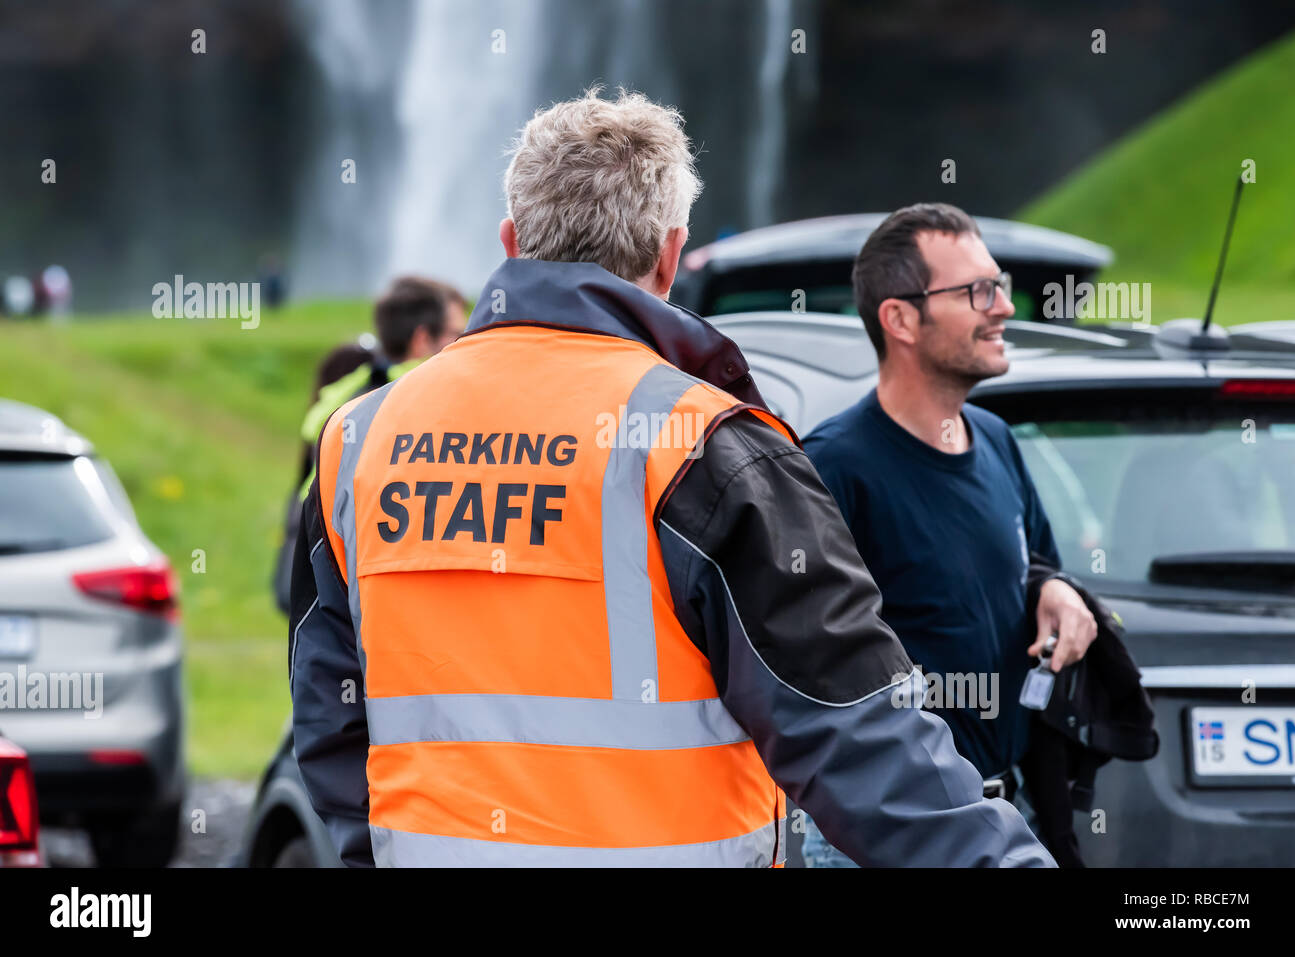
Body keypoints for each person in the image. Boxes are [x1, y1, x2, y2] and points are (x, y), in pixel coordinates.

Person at [289, 91, 1053, 867]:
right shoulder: (705, 444)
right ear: (671, 252)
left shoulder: (361, 438)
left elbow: (329, 715)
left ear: (511, 240)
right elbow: (859, 727)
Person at [798, 202, 1099, 866]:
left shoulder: (994, 437)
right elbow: (808, 670)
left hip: (1005, 815)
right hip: (884, 834)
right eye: (978, 291)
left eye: (1001, 283)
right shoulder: (833, 467)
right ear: (900, 319)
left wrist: (1056, 590)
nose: (1005, 307)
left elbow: (1034, 560)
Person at [272, 278, 467, 614]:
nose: (465, 345)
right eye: (456, 335)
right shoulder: (434, 400)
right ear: (423, 339)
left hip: (320, 557)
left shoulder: (348, 392)